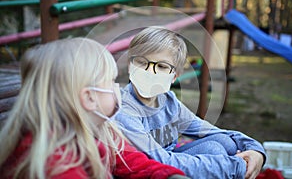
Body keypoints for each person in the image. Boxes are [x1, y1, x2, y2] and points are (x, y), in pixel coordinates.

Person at [0, 37, 189, 179]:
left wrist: (169, 175)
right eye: (111, 81)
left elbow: (134, 162)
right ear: (89, 98)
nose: (118, 88)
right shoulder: (55, 165)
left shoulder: (102, 129)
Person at [114, 26, 266, 179]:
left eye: (161, 66)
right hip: (147, 172)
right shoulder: (124, 109)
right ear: (130, 65)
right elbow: (160, 161)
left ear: (174, 76)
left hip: (170, 164)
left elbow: (215, 132)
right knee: (214, 150)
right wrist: (233, 165)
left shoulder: (168, 102)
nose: (149, 72)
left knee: (226, 142)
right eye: (141, 62)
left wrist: (256, 151)